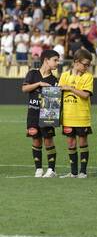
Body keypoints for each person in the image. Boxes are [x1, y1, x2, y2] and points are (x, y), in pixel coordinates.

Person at [22, 50, 60, 178]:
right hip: (32, 113)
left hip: (47, 113)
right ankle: (38, 169)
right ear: (46, 60)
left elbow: (54, 101)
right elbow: (24, 89)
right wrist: (39, 84)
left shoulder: (54, 79)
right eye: (55, 60)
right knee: (36, 140)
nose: (57, 63)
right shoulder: (32, 73)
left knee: (48, 140)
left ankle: (51, 169)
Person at [59, 49, 93, 178]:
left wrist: (71, 88)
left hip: (82, 116)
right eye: (85, 64)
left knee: (83, 142)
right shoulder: (64, 75)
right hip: (67, 117)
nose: (86, 67)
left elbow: (85, 95)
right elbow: (60, 89)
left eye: (88, 65)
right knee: (71, 143)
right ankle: (73, 172)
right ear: (76, 62)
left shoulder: (88, 76)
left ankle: (83, 172)